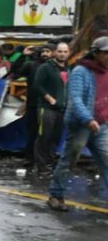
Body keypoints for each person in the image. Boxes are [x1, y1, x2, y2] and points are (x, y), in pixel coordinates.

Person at [47, 37, 108, 211]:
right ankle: (56, 195)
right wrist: (88, 119)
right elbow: (75, 100)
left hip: (102, 124)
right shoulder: (81, 71)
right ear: (95, 54)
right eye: (105, 53)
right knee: (70, 159)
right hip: (81, 125)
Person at [32, 43, 68, 172]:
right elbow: (37, 86)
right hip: (46, 107)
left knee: (55, 136)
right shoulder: (45, 68)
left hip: (62, 108)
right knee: (44, 135)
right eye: (60, 51)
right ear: (55, 53)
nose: (62, 54)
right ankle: (40, 164)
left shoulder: (69, 69)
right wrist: (49, 98)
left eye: (65, 52)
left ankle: (50, 161)